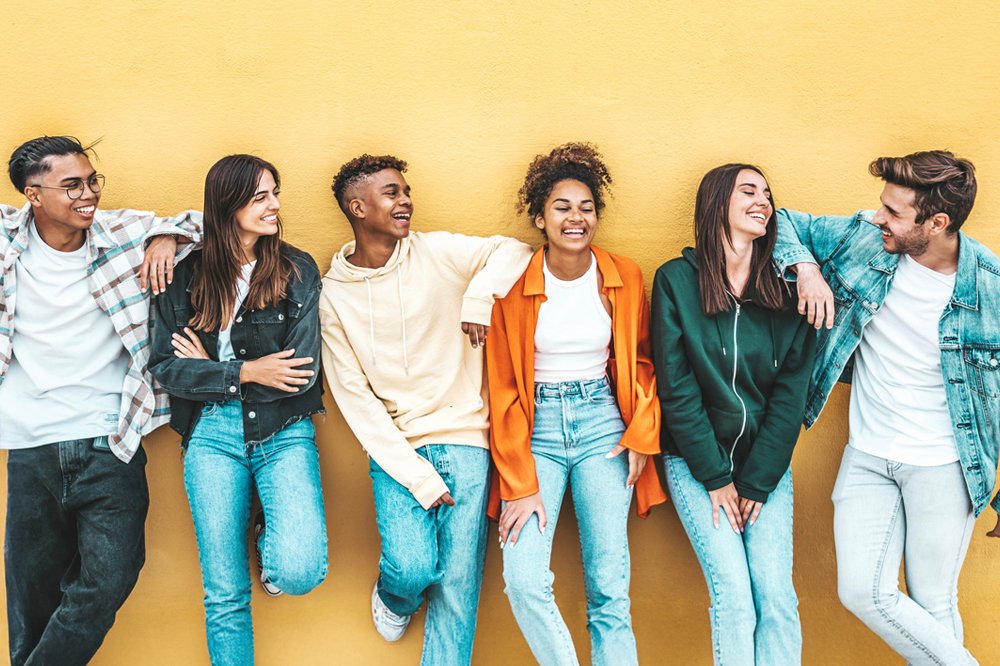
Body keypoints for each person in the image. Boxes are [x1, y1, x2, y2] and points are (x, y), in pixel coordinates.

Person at [774, 150, 1000, 666]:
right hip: (868, 455)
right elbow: (783, 223)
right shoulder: (865, 239)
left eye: (894, 212)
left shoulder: (991, 287)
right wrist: (805, 268)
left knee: (933, 603)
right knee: (862, 591)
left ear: (937, 223)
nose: (879, 217)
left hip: (945, 465)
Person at [318, 154, 532, 665]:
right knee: (412, 567)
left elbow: (517, 250)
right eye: (391, 192)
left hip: (467, 442)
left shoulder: (437, 251)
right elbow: (356, 401)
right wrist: (416, 476)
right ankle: (394, 597)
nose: (405, 200)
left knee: (458, 593)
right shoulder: (332, 297)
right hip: (399, 450)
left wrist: (479, 296)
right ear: (357, 205)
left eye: (405, 190)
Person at [0, 135, 202, 666]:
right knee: (31, 598)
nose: (88, 194)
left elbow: (209, 225)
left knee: (112, 573)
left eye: (92, 181)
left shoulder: (120, 233)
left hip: (110, 438)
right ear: (32, 195)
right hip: (29, 442)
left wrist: (164, 236)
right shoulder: (3, 239)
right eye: (72, 186)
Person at [486, 142, 665, 666]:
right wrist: (518, 483)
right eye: (562, 207)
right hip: (534, 431)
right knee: (522, 580)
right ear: (540, 217)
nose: (576, 217)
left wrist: (640, 434)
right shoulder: (512, 283)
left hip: (603, 426)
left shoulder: (623, 275)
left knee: (610, 588)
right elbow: (502, 387)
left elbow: (641, 363)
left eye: (586, 207)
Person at [149, 154, 327, 666]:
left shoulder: (296, 268)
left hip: (283, 431)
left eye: (275, 193)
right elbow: (165, 367)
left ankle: (269, 542)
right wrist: (244, 373)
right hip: (209, 437)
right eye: (259, 198)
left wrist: (212, 373)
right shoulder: (182, 276)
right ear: (228, 207)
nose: (275, 206)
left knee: (300, 569)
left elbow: (299, 374)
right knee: (224, 592)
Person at [651, 164, 815, 666]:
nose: (763, 200)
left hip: (764, 469)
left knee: (777, 599)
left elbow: (791, 398)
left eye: (767, 193)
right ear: (717, 202)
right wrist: (717, 477)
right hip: (696, 465)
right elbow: (677, 391)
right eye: (749, 191)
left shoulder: (790, 293)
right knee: (735, 599)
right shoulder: (676, 282)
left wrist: (755, 482)